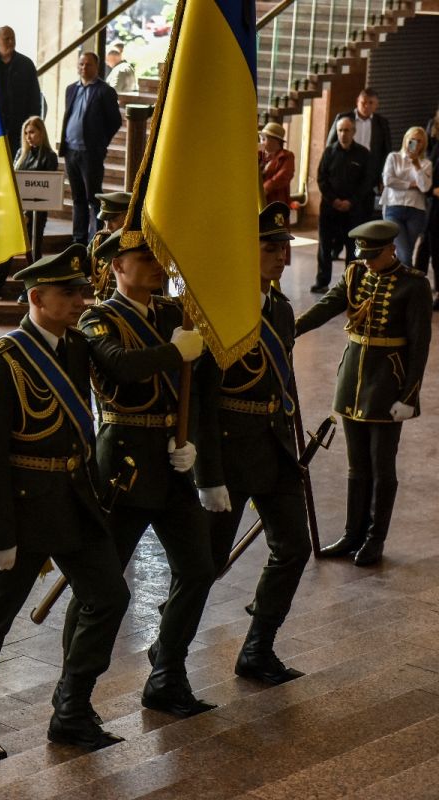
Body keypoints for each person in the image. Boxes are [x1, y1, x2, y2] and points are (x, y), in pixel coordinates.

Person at [0, 245, 130, 763]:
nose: (81, 300)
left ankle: (71, 709)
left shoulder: (75, 347)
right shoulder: (1, 362)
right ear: (37, 297)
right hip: (22, 510)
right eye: (69, 293)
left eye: (80, 291)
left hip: (73, 503)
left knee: (109, 596)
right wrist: (0, 536)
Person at [74, 228, 216, 717]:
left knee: (199, 569)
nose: (157, 265)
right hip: (125, 469)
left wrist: (190, 439)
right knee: (101, 584)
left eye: (157, 256)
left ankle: (167, 675)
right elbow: (120, 367)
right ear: (116, 267)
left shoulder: (174, 315)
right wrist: (176, 352)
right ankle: (74, 692)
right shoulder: (97, 319)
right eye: (143, 258)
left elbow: (191, 388)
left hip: (172, 466)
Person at [195, 203, 310, 686]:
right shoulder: (222, 310)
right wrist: (208, 476)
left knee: (295, 547)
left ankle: (258, 647)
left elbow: (282, 383)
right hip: (229, 449)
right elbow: (201, 397)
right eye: (270, 247)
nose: (282, 256)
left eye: (285, 247)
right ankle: (169, 646)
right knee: (205, 564)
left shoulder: (281, 309)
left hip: (274, 448)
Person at [296, 220, 431, 566]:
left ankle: (375, 539)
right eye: (364, 256)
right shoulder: (356, 275)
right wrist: (290, 329)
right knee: (357, 466)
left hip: (388, 383)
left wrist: (409, 395)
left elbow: (419, 347)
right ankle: (351, 534)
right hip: (352, 379)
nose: (368, 262)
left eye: (374, 256)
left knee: (382, 466)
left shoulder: (413, 285)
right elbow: (327, 306)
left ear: (391, 250)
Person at [0, 116, 58, 301]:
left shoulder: (49, 156)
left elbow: (47, 188)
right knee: (7, 248)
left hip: (37, 213)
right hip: (14, 211)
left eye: (32, 132)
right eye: (25, 133)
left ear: (41, 132)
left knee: (33, 251)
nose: (28, 136)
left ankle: (32, 289)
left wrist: (27, 214)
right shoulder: (20, 154)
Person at [59, 53, 122, 245]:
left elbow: (115, 121)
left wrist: (100, 144)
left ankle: (95, 239)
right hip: (71, 151)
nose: (84, 68)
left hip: (90, 153)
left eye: (88, 64)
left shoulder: (105, 91)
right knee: (77, 198)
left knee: (93, 198)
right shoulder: (71, 89)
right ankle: (78, 240)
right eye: (81, 64)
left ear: (96, 67)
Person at [313, 117, 375, 293]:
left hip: (353, 210)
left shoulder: (363, 154)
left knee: (352, 248)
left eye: (347, 130)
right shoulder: (329, 152)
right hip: (329, 209)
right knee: (325, 246)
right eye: (340, 130)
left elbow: (367, 182)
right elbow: (321, 178)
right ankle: (322, 281)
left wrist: (351, 202)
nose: (343, 134)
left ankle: (352, 284)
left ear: (353, 132)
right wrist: (334, 200)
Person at [0, 26, 47, 157]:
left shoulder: (26, 64)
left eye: (13, 38)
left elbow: (34, 99)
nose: (11, 42)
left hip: (21, 130)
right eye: (6, 39)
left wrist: (33, 127)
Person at [380, 127, 433, 269]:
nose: (415, 144)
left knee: (406, 252)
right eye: (412, 140)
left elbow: (425, 187)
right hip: (393, 208)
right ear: (406, 140)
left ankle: (397, 284)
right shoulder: (394, 157)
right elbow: (388, 181)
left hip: (416, 211)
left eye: (419, 141)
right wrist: (410, 184)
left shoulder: (426, 164)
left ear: (424, 144)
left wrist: (417, 166)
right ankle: (407, 286)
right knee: (404, 253)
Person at [326, 88, 392, 195]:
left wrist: (382, 177)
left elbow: (386, 151)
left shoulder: (382, 123)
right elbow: (330, 146)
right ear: (357, 101)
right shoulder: (343, 118)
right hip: (344, 170)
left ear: (376, 105)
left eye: (371, 103)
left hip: (369, 173)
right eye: (363, 102)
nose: (367, 106)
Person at [415, 105, 439, 305]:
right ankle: (418, 287)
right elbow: (427, 164)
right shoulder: (432, 135)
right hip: (432, 200)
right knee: (426, 245)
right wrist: (431, 190)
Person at [87, 190, 130, 300]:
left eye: (113, 220)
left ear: (129, 216)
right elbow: (84, 266)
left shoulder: (143, 243)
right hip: (103, 305)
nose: (108, 226)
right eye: (105, 221)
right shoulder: (100, 239)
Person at [259, 122, 295, 206]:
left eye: (264, 139)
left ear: (276, 141)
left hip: (275, 203)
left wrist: (266, 188)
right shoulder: (260, 155)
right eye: (260, 139)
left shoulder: (287, 156)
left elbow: (284, 175)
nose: (261, 142)